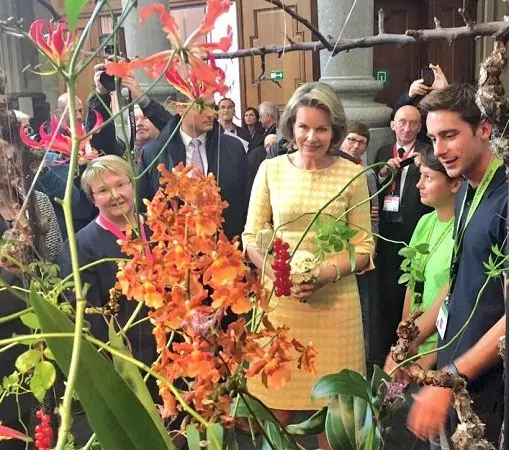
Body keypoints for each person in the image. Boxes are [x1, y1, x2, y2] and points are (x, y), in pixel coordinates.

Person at [407, 84, 509, 447]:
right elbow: (460, 276)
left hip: (488, 387)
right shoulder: (466, 186)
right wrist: (413, 337)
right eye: (433, 138)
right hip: (454, 370)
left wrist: (451, 379)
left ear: (483, 129)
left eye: (449, 136)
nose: (439, 150)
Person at [242, 82, 375, 449]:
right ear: (290, 126)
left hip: (336, 307)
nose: (311, 137)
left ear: (335, 131)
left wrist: (322, 275)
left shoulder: (352, 175)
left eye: (321, 128)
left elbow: (364, 246)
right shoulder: (271, 170)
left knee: (337, 417)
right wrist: (275, 274)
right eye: (304, 127)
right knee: (276, 411)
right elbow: (251, 236)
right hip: (280, 302)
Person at [58, 155, 156, 446]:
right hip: (128, 360)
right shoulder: (81, 246)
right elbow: (87, 315)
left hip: (174, 348)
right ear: (92, 199)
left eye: (120, 184)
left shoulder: (158, 228)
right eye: (103, 190)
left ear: (133, 185)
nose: (115, 195)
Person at [384, 146, 461, 375]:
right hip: (413, 341)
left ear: (455, 184)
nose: (419, 185)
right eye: (420, 176)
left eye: (428, 178)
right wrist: (403, 339)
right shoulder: (425, 222)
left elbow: (451, 295)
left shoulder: (463, 229)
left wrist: (429, 352)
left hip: (442, 344)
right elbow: (412, 283)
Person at [138, 95, 248, 241]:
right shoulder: (154, 152)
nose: (211, 114)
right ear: (181, 108)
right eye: (201, 107)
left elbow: (246, 200)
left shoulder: (233, 148)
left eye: (212, 107)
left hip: (224, 245)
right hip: (174, 247)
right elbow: (142, 205)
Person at [371, 104, 432, 366]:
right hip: (386, 233)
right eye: (402, 122)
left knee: (409, 292)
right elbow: (374, 189)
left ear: (420, 127)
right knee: (384, 291)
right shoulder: (384, 151)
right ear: (393, 125)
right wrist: (384, 173)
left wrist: (422, 167)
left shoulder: (428, 154)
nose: (407, 128)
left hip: (414, 231)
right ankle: (382, 350)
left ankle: (407, 347)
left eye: (413, 123)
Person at [339, 121, 379, 364]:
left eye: (361, 142)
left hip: (359, 251)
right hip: (334, 250)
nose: (355, 146)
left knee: (361, 308)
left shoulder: (368, 173)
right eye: (351, 140)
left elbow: (374, 216)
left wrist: (370, 249)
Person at [86, 64, 172, 157]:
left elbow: (173, 128)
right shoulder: (123, 154)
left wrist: (142, 99)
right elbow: (99, 139)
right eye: (135, 119)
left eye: (145, 118)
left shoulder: (169, 152)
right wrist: (101, 96)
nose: (139, 123)